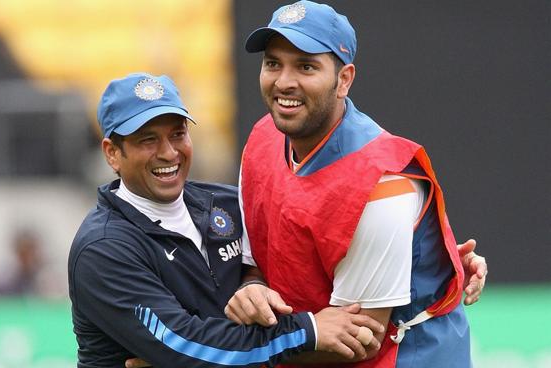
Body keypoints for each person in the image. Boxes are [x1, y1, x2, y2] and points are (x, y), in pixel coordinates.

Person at [68, 72, 390, 368]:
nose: (168, 153)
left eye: (178, 134)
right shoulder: (104, 249)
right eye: (147, 140)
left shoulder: (228, 202)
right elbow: (184, 346)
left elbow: (280, 268)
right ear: (112, 153)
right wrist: (308, 331)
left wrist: (255, 283)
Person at [226, 1, 486, 367]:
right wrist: (250, 286)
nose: (284, 81)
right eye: (273, 63)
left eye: (306, 66)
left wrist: (213, 355)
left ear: (344, 80)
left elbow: (356, 342)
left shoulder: (383, 187)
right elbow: (255, 264)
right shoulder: (263, 137)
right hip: (303, 341)